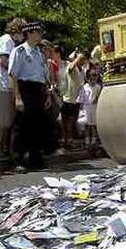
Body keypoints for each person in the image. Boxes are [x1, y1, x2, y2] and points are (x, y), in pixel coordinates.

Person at [8, 21, 51, 169]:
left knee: (37, 124)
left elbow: (43, 76)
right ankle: (17, 159)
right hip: (25, 88)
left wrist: (47, 95)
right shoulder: (19, 51)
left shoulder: (39, 53)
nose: (40, 35)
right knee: (22, 125)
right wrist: (18, 98)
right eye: (38, 32)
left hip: (38, 89)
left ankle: (35, 158)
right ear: (30, 34)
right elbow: (13, 75)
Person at [0, 18, 26, 155]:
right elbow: (4, 61)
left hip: (7, 85)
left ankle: (5, 150)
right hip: (3, 85)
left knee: (8, 121)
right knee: (4, 122)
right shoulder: (6, 40)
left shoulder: (12, 43)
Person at [61, 51, 87, 149]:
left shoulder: (82, 70)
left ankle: (70, 140)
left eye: (83, 59)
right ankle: (66, 141)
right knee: (67, 121)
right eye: (81, 59)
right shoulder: (72, 67)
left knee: (73, 121)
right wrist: (77, 59)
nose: (82, 61)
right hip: (69, 98)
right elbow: (70, 69)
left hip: (77, 99)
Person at [76, 68, 101, 149]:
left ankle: (93, 142)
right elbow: (81, 99)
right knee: (87, 125)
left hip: (94, 108)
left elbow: (99, 98)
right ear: (87, 77)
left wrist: (97, 97)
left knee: (93, 126)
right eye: (92, 76)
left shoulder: (98, 87)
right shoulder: (84, 87)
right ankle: (87, 142)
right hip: (86, 108)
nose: (93, 78)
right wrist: (81, 110)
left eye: (95, 76)